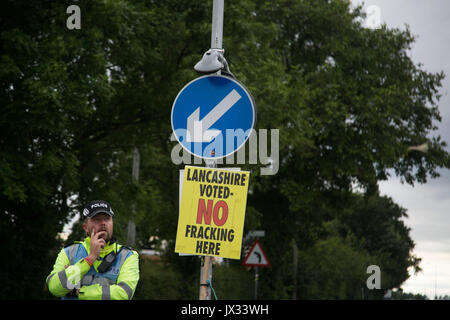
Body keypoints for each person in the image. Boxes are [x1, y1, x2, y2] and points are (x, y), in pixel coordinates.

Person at [46, 200, 139, 300]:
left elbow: (124, 294)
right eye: (96, 219)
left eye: (107, 219)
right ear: (85, 227)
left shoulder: (128, 256)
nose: (103, 223)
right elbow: (54, 288)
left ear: (112, 223)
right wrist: (90, 259)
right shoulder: (69, 252)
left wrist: (82, 291)